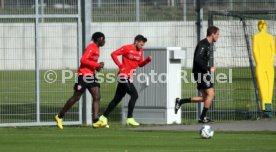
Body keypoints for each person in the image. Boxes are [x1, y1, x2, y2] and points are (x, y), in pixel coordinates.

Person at [55, 32, 106, 129]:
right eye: (103, 39)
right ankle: (59, 116)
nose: (104, 41)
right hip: (83, 76)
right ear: (99, 39)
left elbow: (91, 63)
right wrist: (97, 65)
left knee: (97, 96)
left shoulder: (97, 49)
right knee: (76, 98)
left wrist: (98, 66)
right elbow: (83, 60)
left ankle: (95, 121)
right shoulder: (91, 47)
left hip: (91, 76)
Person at [99, 34, 152, 127]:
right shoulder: (127, 48)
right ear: (136, 41)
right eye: (141, 44)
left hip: (129, 77)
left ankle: (103, 117)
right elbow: (113, 54)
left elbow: (140, 64)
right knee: (134, 95)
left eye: (143, 45)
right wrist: (120, 65)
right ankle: (130, 118)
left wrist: (147, 60)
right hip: (123, 76)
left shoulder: (140, 51)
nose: (142, 46)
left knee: (117, 99)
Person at [175, 26, 220, 123]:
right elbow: (197, 59)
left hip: (201, 72)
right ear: (212, 34)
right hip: (200, 73)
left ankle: (181, 101)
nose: (218, 37)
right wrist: (208, 68)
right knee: (211, 94)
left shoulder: (207, 44)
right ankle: (202, 117)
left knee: (206, 97)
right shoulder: (203, 44)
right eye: (217, 34)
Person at [252, 20, 275, 118]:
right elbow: (255, 50)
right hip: (265, 65)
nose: (262, 26)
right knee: (265, 86)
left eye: (262, 25)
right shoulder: (257, 37)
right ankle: (266, 107)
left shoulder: (268, 37)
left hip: (265, 65)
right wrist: (260, 62)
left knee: (266, 86)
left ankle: (267, 107)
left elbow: (273, 50)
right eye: (261, 25)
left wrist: (260, 62)